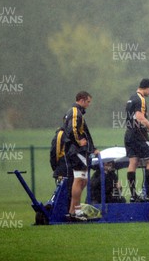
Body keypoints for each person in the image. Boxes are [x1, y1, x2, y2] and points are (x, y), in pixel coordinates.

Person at [124, 78, 149, 202]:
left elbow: (134, 120)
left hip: (129, 134)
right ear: (146, 87)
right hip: (139, 135)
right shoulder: (140, 99)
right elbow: (141, 118)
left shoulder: (131, 98)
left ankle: (133, 195)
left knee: (133, 163)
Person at [62, 91, 99, 221]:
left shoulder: (76, 112)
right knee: (79, 180)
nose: (89, 104)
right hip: (76, 151)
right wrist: (79, 142)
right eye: (88, 102)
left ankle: (73, 210)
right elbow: (72, 129)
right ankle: (75, 212)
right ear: (82, 100)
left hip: (78, 151)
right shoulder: (75, 112)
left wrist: (91, 148)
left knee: (83, 180)